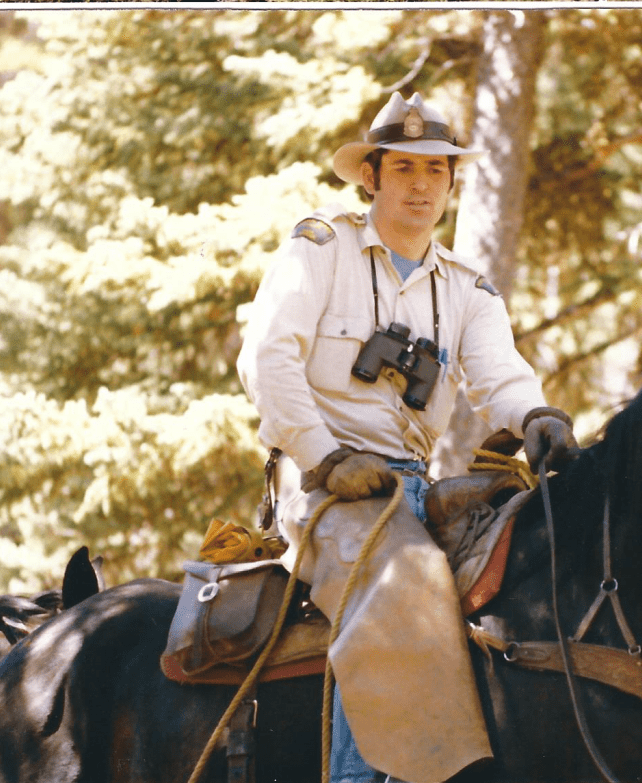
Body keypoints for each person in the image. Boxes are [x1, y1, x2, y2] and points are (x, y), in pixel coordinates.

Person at [237, 92, 577, 783]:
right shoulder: (321, 251)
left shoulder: (466, 290)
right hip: (316, 484)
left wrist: (536, 416)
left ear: (451, 185)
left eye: (436, 171)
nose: (421, 186)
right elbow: (266, 357)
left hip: (415, 486)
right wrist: (324, 456)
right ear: (372, 178)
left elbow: (499, 376)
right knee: (398, 578)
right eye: (404, 170)